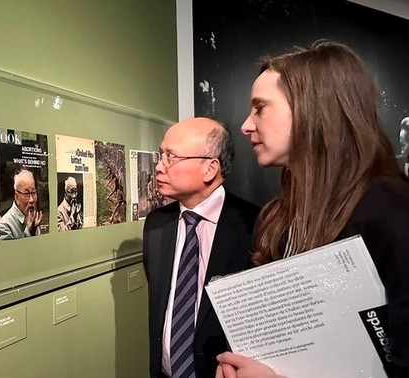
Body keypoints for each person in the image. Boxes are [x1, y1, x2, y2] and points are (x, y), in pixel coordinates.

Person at [216, 42, 409, 378]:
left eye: (260, 108)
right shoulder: (278, 217)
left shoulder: (391, 211)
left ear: (312, 108)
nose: (246, 125)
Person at [142, 117, 260, 377]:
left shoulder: (257, 226)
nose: (159, 167)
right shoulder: (155, 225)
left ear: (210, 168)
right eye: (160, 155)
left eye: (171, 157)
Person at [0, 169, 42, 240]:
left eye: (33, 193)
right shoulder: (5, 225)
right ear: (17, 197)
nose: (31, 200)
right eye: (26, 194)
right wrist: (29, 232)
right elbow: (11, 251)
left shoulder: (33, 217)